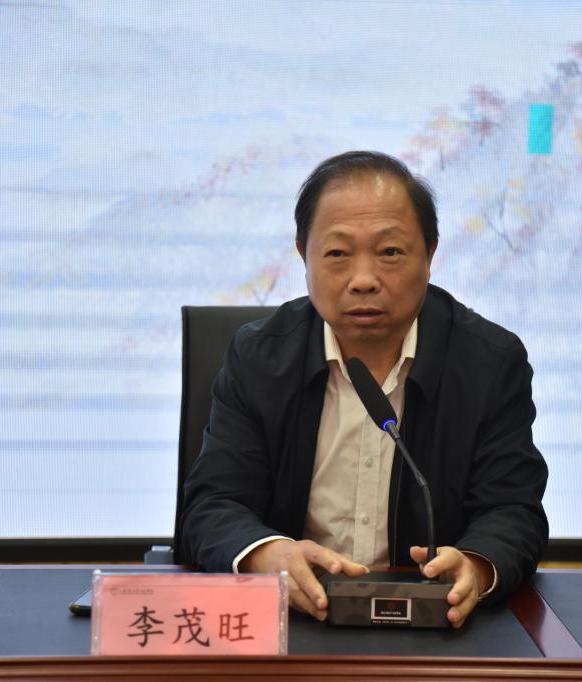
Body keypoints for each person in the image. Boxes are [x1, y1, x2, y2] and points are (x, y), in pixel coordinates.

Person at [179, 151, 548, 628]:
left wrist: (476, 566)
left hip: (433, 622)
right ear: (304, 256)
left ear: (430, 255)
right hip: (292, 620)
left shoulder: (489, 363)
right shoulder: (259, 358)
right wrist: (268, 555)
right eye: (337, 254)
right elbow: (212, 504)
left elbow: (512, 508)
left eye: (390, 252)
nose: (364, 280)